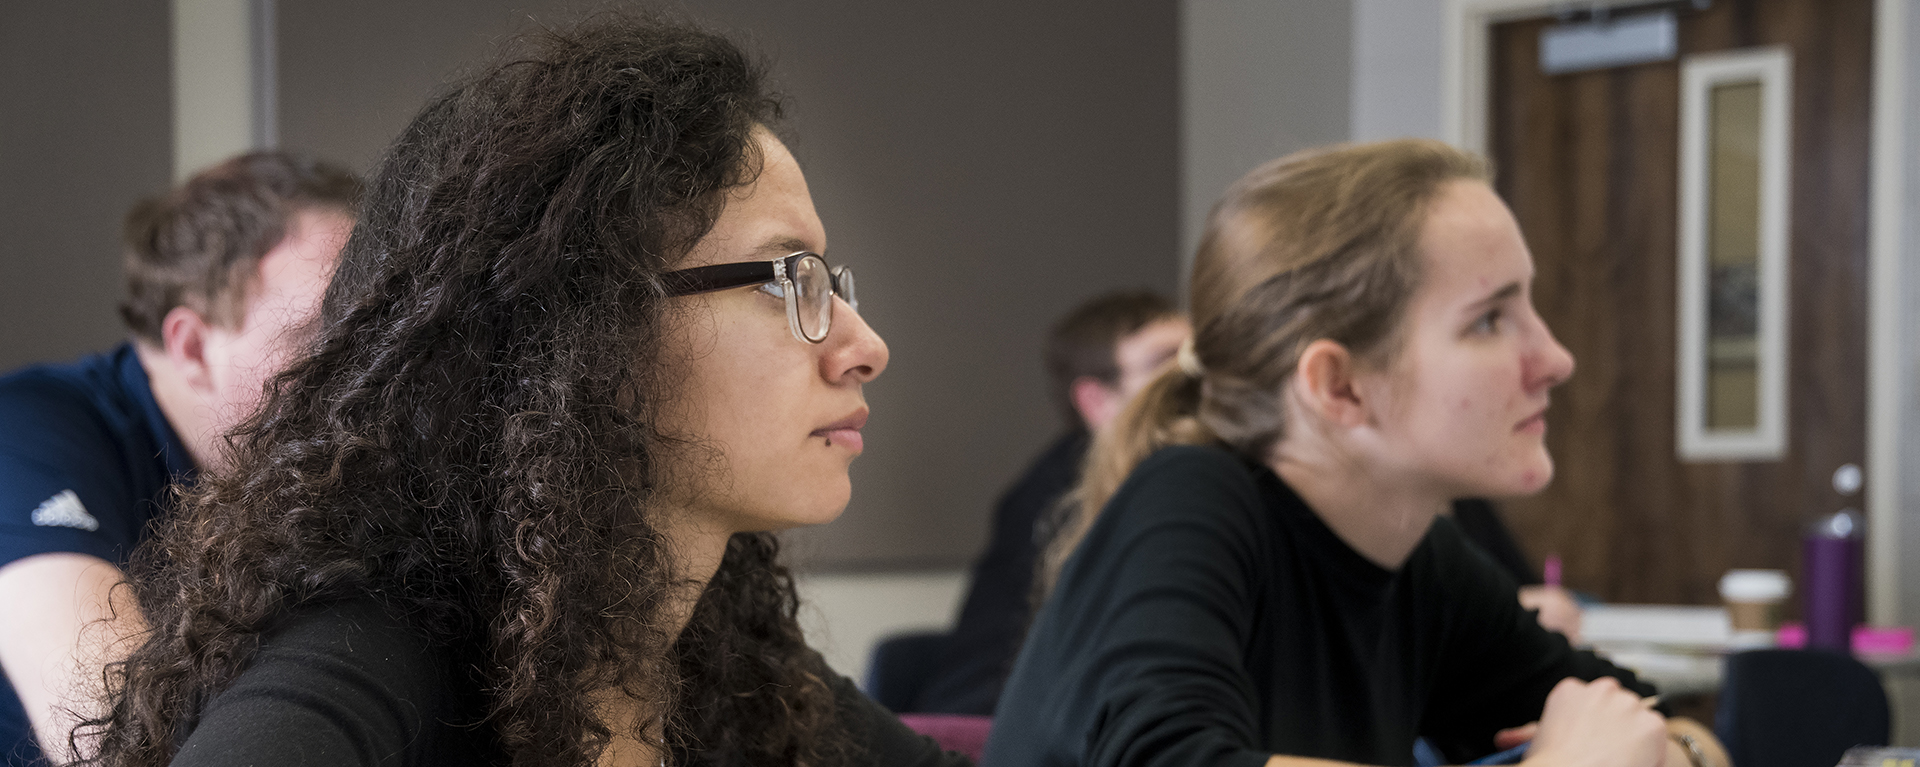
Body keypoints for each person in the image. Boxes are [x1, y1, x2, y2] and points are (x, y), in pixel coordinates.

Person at [77, 16, 967, 767]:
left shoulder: (725, 648)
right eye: (790, 280)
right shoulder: (374, 650)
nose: (865, 348)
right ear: (592, 330)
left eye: (834, 284)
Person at [986, 140, 1729, 767]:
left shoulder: (1419, 558)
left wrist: (1675, 749)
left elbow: (1652, 722)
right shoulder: (1193, 496)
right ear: (1338, 386)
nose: (1556, 358)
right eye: (1489, 320)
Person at [0, 152, 357, 765]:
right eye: (322, 340)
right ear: (191, 347)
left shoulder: (306, 466)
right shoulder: (27, 432)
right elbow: (113, 742)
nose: (362, 373)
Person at [908, 292, 1187, 715]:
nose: (1194, 379)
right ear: (1096, 400)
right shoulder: (1057, 498)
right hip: (991, 726)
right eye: (1165, 364)